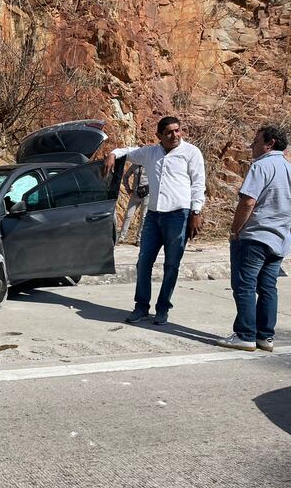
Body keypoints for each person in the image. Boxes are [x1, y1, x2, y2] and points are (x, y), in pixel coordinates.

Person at [103, 116, 206, 325]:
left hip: (179, 216)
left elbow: (198, 184)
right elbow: (128, 151)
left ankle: (162, 308)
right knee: (143, 263)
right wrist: (112, 154)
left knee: (171, 265)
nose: (174, 135)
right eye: (169, 132)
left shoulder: (191, 153)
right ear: (159, 136)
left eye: (177, 130)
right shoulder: (151, 153)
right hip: (153, 216)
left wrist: (196, 212)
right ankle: (141, 307)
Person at [217, 125, 291, 352]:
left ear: (270, 144)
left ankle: (245, 335)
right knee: (268, 287)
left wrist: (235, 230)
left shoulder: (261, 166)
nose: (252, 145)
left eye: (257, 141)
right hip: (279, 238)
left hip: (256, 236)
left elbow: (248, 201)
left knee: (244, 285)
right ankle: (264, 337)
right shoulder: (288, 168)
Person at [118, 164, 149, 244]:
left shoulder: (149, 164)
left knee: (143, 216)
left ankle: (139, 239)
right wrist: (127, 188)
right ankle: (121, 237)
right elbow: (126, 176)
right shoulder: (134, 165)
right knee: (128, 215)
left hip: (146, 194)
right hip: (135, 194)